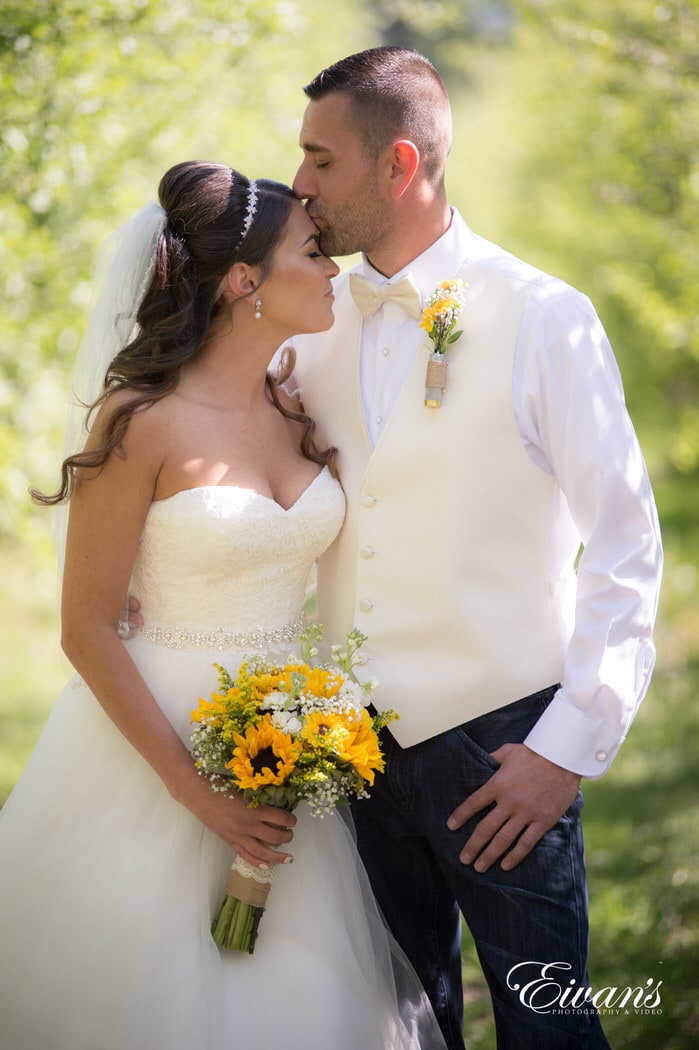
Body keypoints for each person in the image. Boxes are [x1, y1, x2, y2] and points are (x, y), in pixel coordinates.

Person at [0, 160, 447, 1050]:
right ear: (244, 280)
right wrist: (194, 792)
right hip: (154, 752)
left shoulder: (297, 403)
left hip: (292, 746)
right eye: (313, 253)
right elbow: (87, 628)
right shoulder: (141, 421)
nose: (332, 270)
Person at [283, 47, 663, 1050]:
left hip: (503, 751)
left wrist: (568, 748)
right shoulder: (306, 320)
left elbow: (626, 542)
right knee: (396, 1031)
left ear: (399, 166)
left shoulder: (546, 318)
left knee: (549, 1033)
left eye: (322, 160)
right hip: (345, 759)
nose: (301, 185)